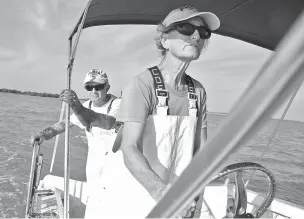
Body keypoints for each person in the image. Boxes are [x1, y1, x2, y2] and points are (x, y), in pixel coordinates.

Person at [66, 6, 220, 218]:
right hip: (140, 199)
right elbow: (129, 148)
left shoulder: (199, 92)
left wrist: (194, 195)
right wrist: (161, 192)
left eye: (204, 33)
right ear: (164, 40)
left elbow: (201, 153)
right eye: (186, 28)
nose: (196, 36)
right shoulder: (141, 85)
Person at [30, 69, 120, 216]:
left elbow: (107, 122)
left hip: (115, 168)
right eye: (89, 87)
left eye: (98, 87)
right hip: (93, 167)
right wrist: (43, 135)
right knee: (94, 205)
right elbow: (64, 124)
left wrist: (76, 106)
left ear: (107, 87)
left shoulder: (117, 105)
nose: (93, 90)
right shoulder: (87, 106)